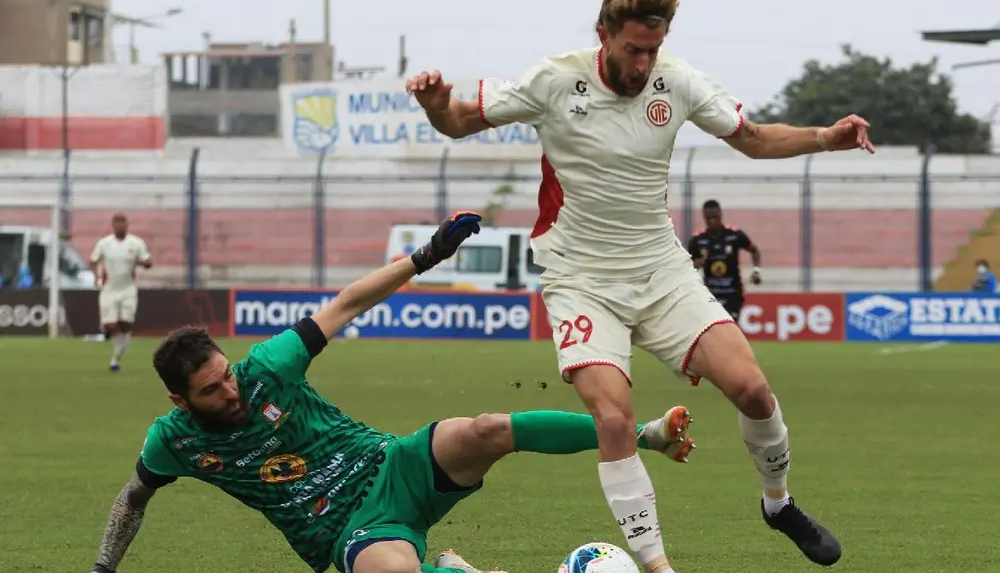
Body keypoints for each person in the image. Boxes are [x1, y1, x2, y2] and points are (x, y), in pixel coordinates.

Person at [405, 0, 875, 570]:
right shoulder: (554, 80)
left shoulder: (677, 81)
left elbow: (751, 139)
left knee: (753, 389)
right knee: (614, 417)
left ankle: (778, 505)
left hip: (660, 270)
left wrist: (825, 139)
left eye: (654, 49)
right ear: (604, 34)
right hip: (580, 279)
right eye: (634, 49)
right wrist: (435, 104)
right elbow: (456, 122)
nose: (644, 63)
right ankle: (659, 567)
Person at [88, 212, 696, 573]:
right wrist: (102, 567)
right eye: (212, 390)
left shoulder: (267, 367)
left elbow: (346, 303)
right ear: (181, 402)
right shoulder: (173, 441)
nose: (231, 389)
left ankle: (643, 435)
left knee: (483, 429)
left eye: (226, 374)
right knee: (394, 570)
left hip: (391, 463)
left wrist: (425, 255)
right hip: (347, 529)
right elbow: (132, 498)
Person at [89, 213, 152, 371]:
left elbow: (147, 261)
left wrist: (145, 262)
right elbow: (93, 260)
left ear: (127, 225)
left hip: (128, 290)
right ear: (112, 225)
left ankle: (115, 361)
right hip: (109, 290)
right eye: (117, 222)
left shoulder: (136, 243)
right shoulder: (104, 244)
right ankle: (107, 332)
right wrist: (95, 276)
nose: (120, 225)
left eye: (123, 222)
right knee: (111, 326)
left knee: (126, 324)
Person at [687, 199, 762, 321]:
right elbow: (687, 267)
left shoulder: (734, 235)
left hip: (732, 292)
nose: (712, 221)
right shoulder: (697, 240)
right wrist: (696, 264)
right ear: (704, 217)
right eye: (709, 218)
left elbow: (754, 250)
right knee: (712, 330)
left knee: (730, 325)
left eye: (715, 217)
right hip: (710, 294)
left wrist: (756, 271)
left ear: (721, 215)